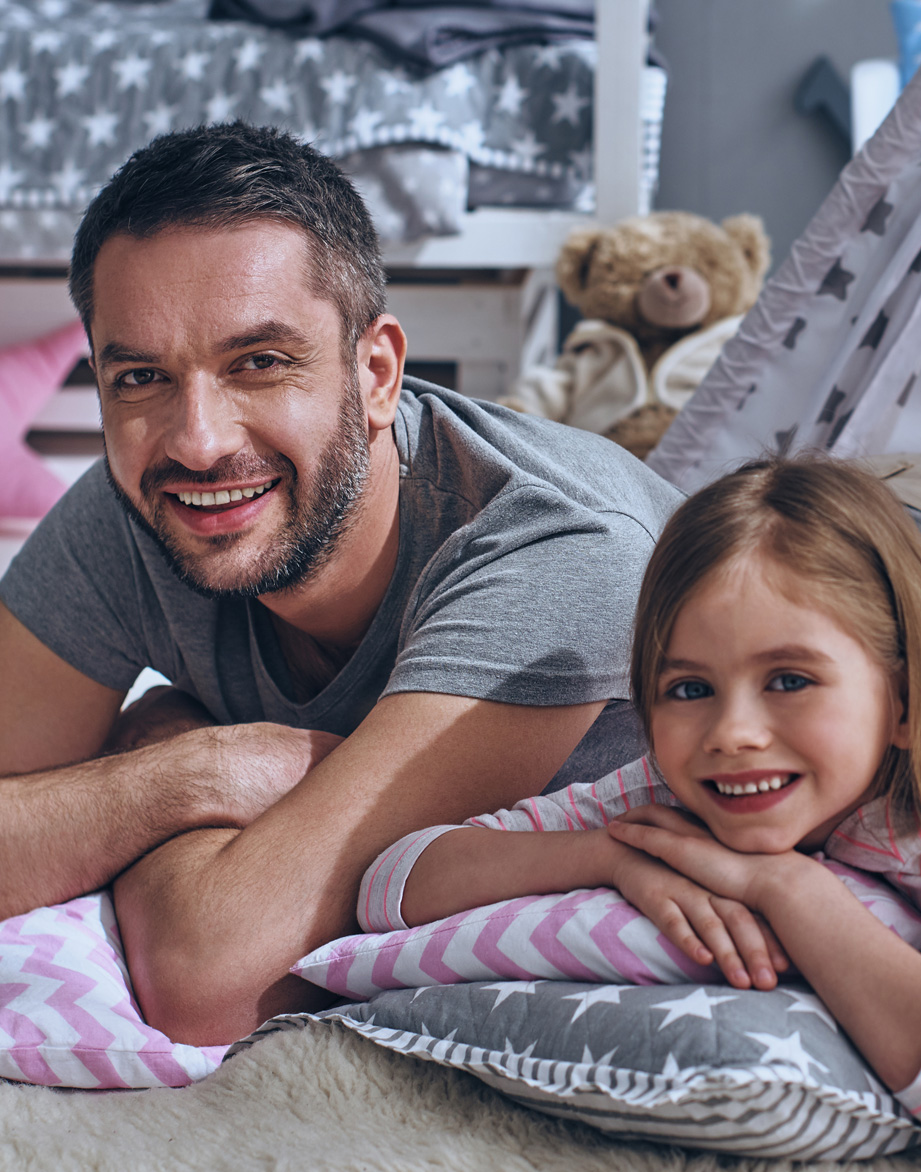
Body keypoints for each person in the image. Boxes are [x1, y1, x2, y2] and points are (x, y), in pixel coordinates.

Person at [0, 122, 682, 1046]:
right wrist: (193, 767)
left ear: (376, 374)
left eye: (260, 363)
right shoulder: (135, 508)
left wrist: (151, 727)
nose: (197, 440)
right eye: (141, 377)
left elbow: (213, 977)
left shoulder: (555, 555)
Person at [359, 457, 921, 1165]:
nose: (732, 733)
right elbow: (391, 884)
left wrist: (788, 889)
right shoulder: (659, 792)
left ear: (903, 705)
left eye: (789, 680)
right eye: (690, 689)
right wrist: (609, 856)